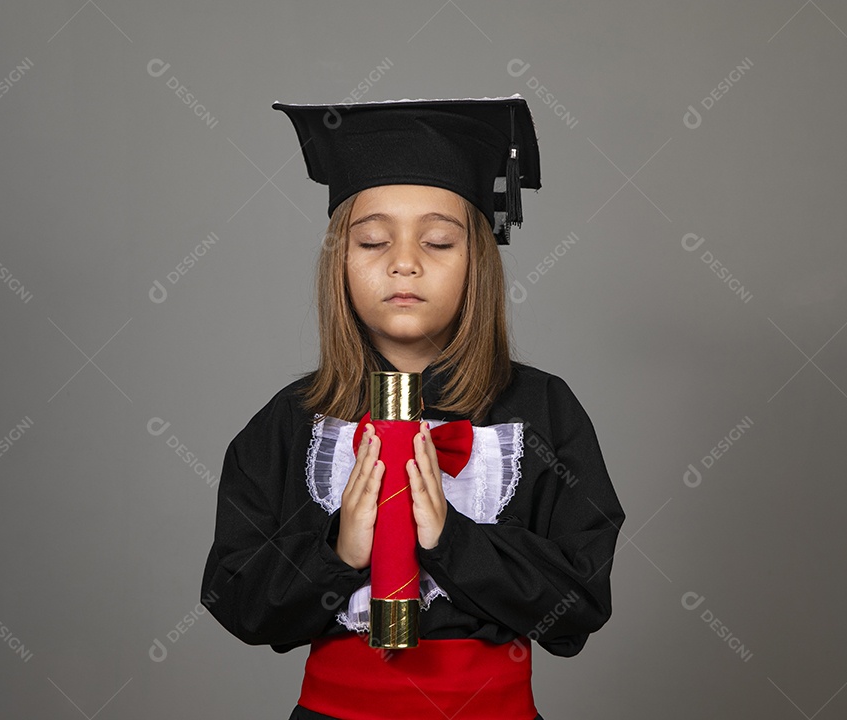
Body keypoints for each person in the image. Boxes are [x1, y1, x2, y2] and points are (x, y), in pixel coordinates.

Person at [200, 95, 626, 720]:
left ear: (477, 259)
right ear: (338, 262)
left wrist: (452, 542)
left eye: (438, 241)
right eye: (373, 240)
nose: (404, 261)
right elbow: (235, 598)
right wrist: (338, 550)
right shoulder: (291, 421)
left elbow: (579, 604)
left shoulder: (541, 411)